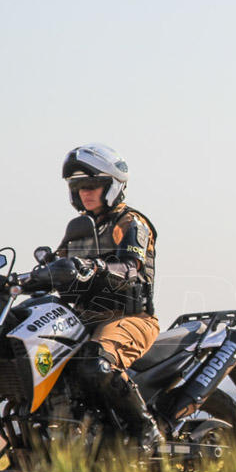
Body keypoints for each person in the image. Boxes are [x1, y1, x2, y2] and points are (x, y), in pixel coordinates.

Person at [56, 143, 162, 455]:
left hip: (128, 317)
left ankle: (147, 429)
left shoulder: (130, 223)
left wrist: (99, 267)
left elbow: (131, 267)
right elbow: (55, 266)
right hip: (85, 317)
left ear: (112, 186)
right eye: (78, 187)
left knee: (94, 363)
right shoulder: (79, 229)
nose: (85, 193)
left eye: (92, 185)